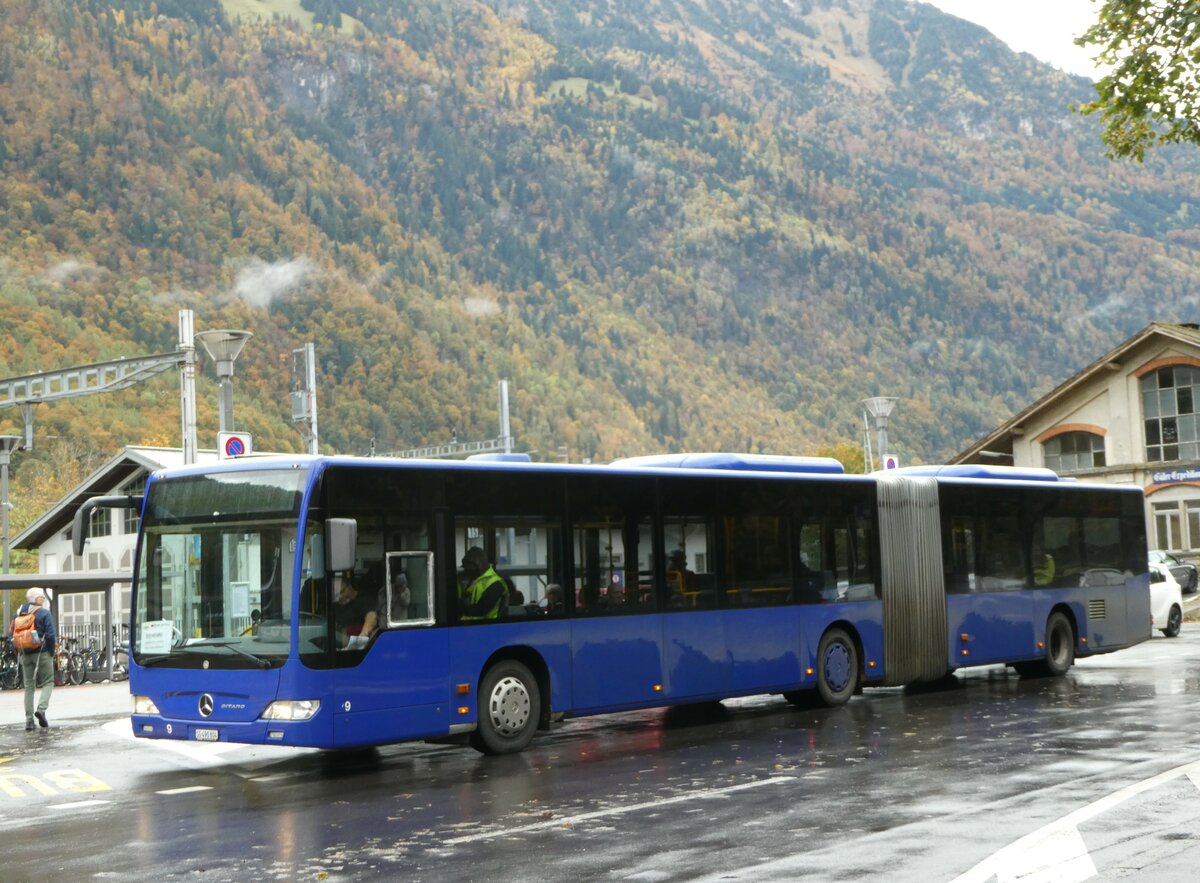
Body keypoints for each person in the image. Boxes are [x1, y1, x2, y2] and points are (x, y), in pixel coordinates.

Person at [10, 587, 56, 731]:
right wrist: (51, 651)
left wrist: (19, 650)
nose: (43, 599)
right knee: (48, 682)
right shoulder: (43, 613)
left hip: (24, 653)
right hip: (41, 652)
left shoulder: (18, 613)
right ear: (36, 599)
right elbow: (50, 634)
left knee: (29, 686)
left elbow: (11, 633)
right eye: (41, 597)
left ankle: (29, 721)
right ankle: (41, 710)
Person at [459, 546, 507, 621]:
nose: (465, 571)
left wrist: (459, 606)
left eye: (467, 568)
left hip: (489, 628)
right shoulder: (474, 579)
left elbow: (481, 609)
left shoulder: (495, 584)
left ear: (476, 565)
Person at [332, 571, 375, 649]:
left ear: (349, 585)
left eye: (342, 592)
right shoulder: (336, 606)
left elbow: (372, 616)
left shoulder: (364, 600)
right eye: (336, 595)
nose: (340, 597)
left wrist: (361, 638)